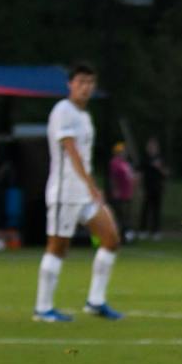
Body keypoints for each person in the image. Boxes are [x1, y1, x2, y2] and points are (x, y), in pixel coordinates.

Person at [33, 62, 124, 322]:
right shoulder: (63, 110)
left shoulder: (85, 117)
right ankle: (43, 308)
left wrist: (90, 187)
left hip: (84, 194)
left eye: (90, 83)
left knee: (111, 239)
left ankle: (95, 301)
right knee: (58, 247)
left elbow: (83, 156)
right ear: (70, 84)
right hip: (65, 193)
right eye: (80, 82)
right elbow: (71, 151)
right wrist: (92, 184)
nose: (85, 87)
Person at [138, 136, 168, 240]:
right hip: (147, 187)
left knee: (156, 211)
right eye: (150, 146)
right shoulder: (144, 158)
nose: (151, 148)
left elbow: (166, 173)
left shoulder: (161, 158)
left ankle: (156, 231)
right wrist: (140, 188)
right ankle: (143, 231)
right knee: (145, 210)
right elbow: (140, 174)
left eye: (153, 146)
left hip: (157, 188)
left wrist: (160, 167)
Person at [107, 142, 137, 244]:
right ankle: (120, 237)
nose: (124, 153)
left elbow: (131, 177)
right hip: (120, 194)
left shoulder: (126, 163)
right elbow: (113, 178)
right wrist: (115, 190)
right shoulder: (115, 162)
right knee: (120, 217)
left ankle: (125, 237)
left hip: (128, 194)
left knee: (126, 217)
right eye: (122, 151)